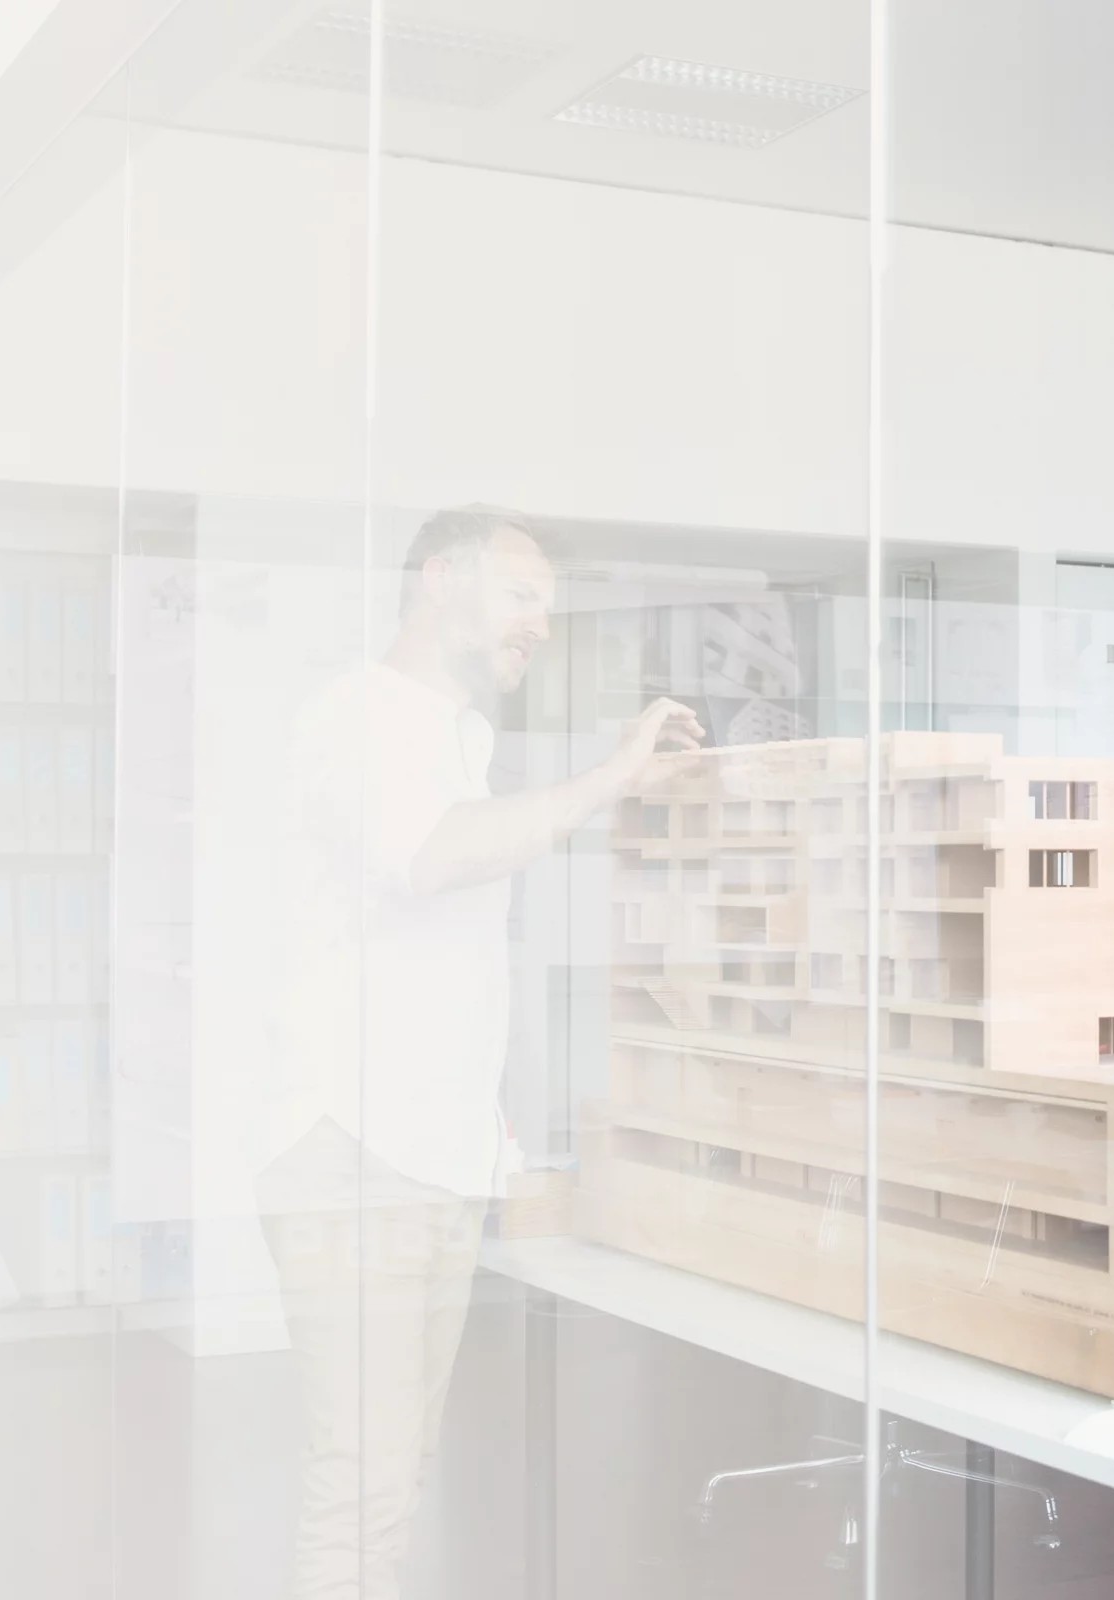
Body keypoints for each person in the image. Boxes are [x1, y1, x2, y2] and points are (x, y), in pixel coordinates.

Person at [257, 505, 701, 1600]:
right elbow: (430, 854)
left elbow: (441, 962)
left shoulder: (460, 737)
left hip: (433, 1156)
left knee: (396, 1471)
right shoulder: (356, 716)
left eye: (547, 606)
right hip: (353, 1153)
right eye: (520, 595)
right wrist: (601, 783)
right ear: (437, 580)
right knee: (360, 1476)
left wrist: (486, 1120)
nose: (540, 625)